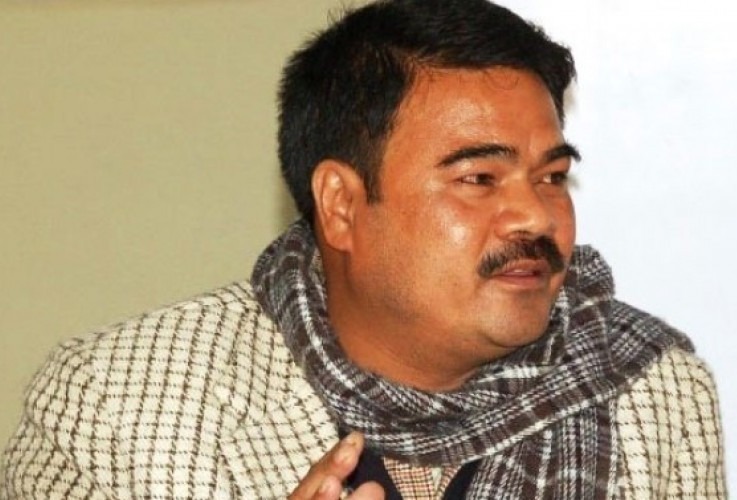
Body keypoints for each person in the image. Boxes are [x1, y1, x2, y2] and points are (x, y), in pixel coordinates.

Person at [2, 0, 726, 498]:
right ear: (342, 205)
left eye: (552, 177)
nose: (536, 216)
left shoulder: (651, 390)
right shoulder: (118, 405)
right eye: (479, 178)